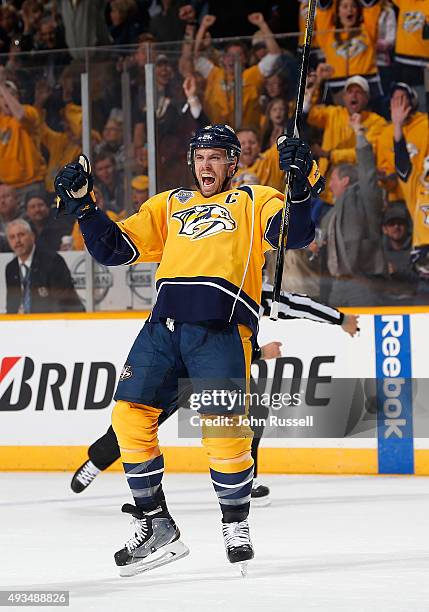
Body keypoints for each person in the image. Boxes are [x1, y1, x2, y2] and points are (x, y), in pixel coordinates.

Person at [54, 124, 323, 576]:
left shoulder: (255, 200)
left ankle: (235, 523)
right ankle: (156, 522)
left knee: (223, 431)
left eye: (217, 157)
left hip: (220, 327)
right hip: (163, 327)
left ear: (233, 163)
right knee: (128, 416)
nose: (206, 165)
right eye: (200, 157)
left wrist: (299, 183)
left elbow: (295, 235)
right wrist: (84, 207)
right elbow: (114, 250)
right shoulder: (169, 205)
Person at [70, 287, 359, 507]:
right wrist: (260, 352)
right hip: (179, 366)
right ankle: (97, 460)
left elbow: (297, 304)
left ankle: (245, 482)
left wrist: (341, 318)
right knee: (137, 421)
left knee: (252, 413)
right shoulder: (194, 286)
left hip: (219, 370)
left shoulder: (254, 288)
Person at [322, 115, 386, 306]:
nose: (330, 184)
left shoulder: (364, 199)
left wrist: (359, 133)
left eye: (333, 179)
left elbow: (367, 173)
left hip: (362, 283)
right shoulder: (331, 215)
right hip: (336, 284)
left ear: (345, 181)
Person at [304, 71, 387, 204]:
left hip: (354, 194)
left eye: (359, 92)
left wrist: (329, 154)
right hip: (324, 193)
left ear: (367, 97)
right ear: (343, 97)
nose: (354, 95)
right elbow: (307, 111)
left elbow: (366, 154)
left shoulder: (377, 122)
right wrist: (317, 84)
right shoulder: (333, 113)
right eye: (350, 92)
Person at [194, 13, 281, 131]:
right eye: (229, 55)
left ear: (245, 59)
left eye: (238, 55)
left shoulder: (253, 74)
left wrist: (262, 24)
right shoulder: (214, 73)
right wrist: (203, 27)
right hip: (218, 135)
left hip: (246, 136)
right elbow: (195, 57)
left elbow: (275, 54)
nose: (233, 59)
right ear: (223, 59)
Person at [5, 218, 84, 314]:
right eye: (12, 237)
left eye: (21, 235)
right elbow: (11, 305)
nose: (17, 240)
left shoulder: (52, 261)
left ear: (32, 236)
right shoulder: (11, 268)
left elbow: (63, 301)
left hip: (56, 321)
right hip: (23, 324)